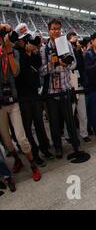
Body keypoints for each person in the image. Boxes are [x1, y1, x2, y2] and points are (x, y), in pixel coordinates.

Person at [40, 19, 86, 162]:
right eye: (53, 29)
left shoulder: (65, 44)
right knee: (54, 122)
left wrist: (66, 63)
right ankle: (58, 147)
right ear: (48, 30)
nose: (56, 32)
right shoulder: (44, 49)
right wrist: (51, 63)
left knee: (70, 120)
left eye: (58, 29)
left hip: (65, 88)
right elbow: (41, 72)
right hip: (51, 91)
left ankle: (76, 145)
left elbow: (74, 64)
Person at [0, 23, 42, 181]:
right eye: (6, 35)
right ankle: (17, 160)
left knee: (21, 137)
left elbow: (16, 72)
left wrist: (9, 51)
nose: (9, 37)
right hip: (0, 104)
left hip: (13, 99)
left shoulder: (14, 52)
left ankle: (33, 165)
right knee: (7, 140)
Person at [14, 24, 53, 166]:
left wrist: (32, 52)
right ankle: (35, 154)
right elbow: (20, 73)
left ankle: (45, 148)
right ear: (19, 40)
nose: (28, 42)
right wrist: (27, 53)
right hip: (23, 96)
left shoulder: (33, 53)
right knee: (28, 127)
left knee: (39, 123)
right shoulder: (16, 52)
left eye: (28, 38)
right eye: (25, 39)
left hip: (34, 93)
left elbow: (38, 66)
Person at [67, 32, 90, 143]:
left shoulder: (79, 51)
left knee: (82, 112)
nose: (75, 43)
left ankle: (84, 133)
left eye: (76, 41)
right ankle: (68, 135)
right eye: (72, 41)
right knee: (70, 113)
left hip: (80, 84)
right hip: (70, 85)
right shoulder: (65, 52)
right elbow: (70, 65)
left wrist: (78, 50)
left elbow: (81, 65)